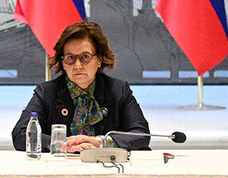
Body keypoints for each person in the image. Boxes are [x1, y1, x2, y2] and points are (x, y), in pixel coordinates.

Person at [11, 21, 150, 153]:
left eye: (85, 57)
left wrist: (99, 142)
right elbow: (20, 134)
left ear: (99, 60)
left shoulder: (118, 90)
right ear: (63, 63)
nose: (77, 65)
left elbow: (141, 134)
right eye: (70, 58)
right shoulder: (46, 93)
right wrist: (61, 145)